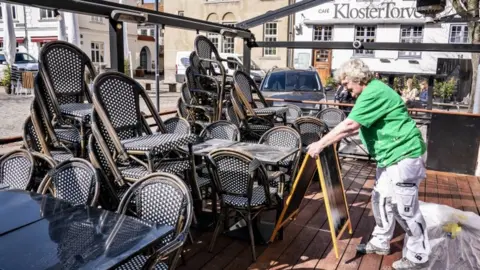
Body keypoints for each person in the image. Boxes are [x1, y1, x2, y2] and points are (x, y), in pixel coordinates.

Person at [306, 59, 430, 270]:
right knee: (381, 199)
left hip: (403, 154)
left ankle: (419, 256)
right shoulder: (371, 92)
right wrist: (330, 140)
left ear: (357, 78)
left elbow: (350, 124)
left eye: (347, 84)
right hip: (389, 155)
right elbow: (357, 127)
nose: (345, 89)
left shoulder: (374, 92)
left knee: (405, 209)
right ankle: (381, 242)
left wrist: (320, 144)